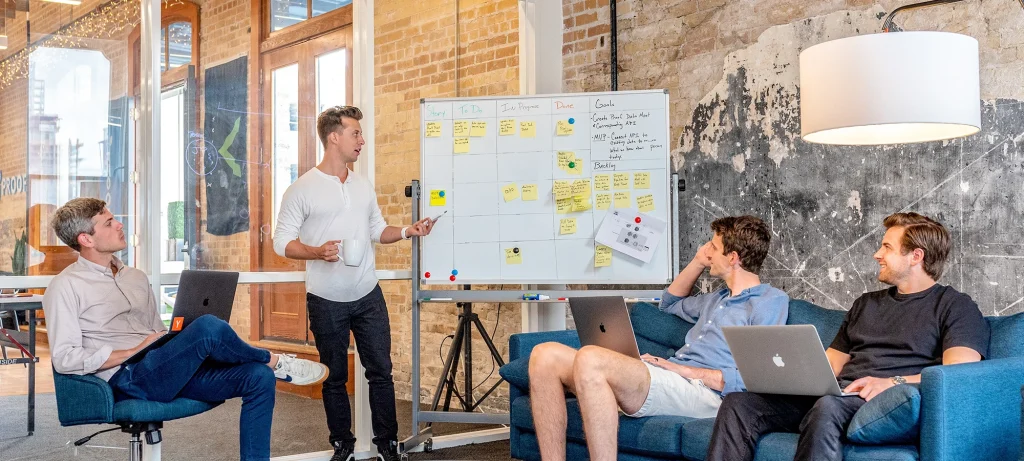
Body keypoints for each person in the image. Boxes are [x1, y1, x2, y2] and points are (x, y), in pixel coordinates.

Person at [43, 198, 327, 461]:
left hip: (161, 368)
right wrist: (132, 350)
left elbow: (155, 331)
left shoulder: (136, 278)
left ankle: (265, 373)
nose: (119, 224)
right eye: (108, 222)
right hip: (128, 378)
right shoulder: (65, 286)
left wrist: (173, 340)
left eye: (115, 218)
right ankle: (273, 359)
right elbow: (65, 358)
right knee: (207, 327)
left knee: (257, 377)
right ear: (86, 239)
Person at [706, 212, 991, 461]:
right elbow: (830, 365)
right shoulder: (866, 304)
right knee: (739, 403)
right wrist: (791, 378)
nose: (876, 254)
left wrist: (891, 382)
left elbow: (959, 373)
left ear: (916, 256)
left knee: (828, 406)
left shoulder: (955, 305)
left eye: (887, 247)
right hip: (839, 395)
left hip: (887, 399)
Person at [528, 215, 790, 461]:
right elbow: (669, 303)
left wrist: (687, 370)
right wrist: (699, 261)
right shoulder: (716, 300)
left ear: (732, 257)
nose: (706, 250)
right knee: (544, 355)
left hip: (706, 394)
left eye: (712, 246)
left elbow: (758, 376)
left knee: (591, 357)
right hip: (673, 379)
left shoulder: (769, 302)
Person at [273, 105, 434, 461]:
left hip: (367, 295)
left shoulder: (362, 185)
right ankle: (342, 445)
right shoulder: (302, 189)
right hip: (325, 298)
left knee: (381, 372)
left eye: (360, 133)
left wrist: (409, 230)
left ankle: (387, 445)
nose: (362, 140)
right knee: (333, 376)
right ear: (334, 137)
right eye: (355, 133)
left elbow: (378, 230)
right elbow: (280, 241)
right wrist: (316, 251)